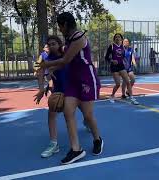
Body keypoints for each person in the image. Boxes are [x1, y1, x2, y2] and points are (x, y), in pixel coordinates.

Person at [37, 12, 103, 165]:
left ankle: (98, 139)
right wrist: (51, 70)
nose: (59, 29)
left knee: (87, 116)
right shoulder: (68, 39)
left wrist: (47, 64)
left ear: (65, 24)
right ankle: (76, 149)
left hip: (86, 79)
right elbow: (65, 63)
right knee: (68, 112)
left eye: (60, 26)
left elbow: (66, 60)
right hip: (73, 81)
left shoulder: (79, 38)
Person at [104, 33, 139, 105]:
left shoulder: (122, 47)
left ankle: (132, 98)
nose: (117, 38)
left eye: (119, 37)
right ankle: (112, 95)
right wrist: (112, 61)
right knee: (117, 84)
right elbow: (106, 57)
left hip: (121, 67)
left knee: (128, 82)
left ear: (121, 39)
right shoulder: (112, 46)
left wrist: (126, 62)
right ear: (114, 39)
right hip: (114, 67)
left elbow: (123, 57)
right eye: (116, 37)